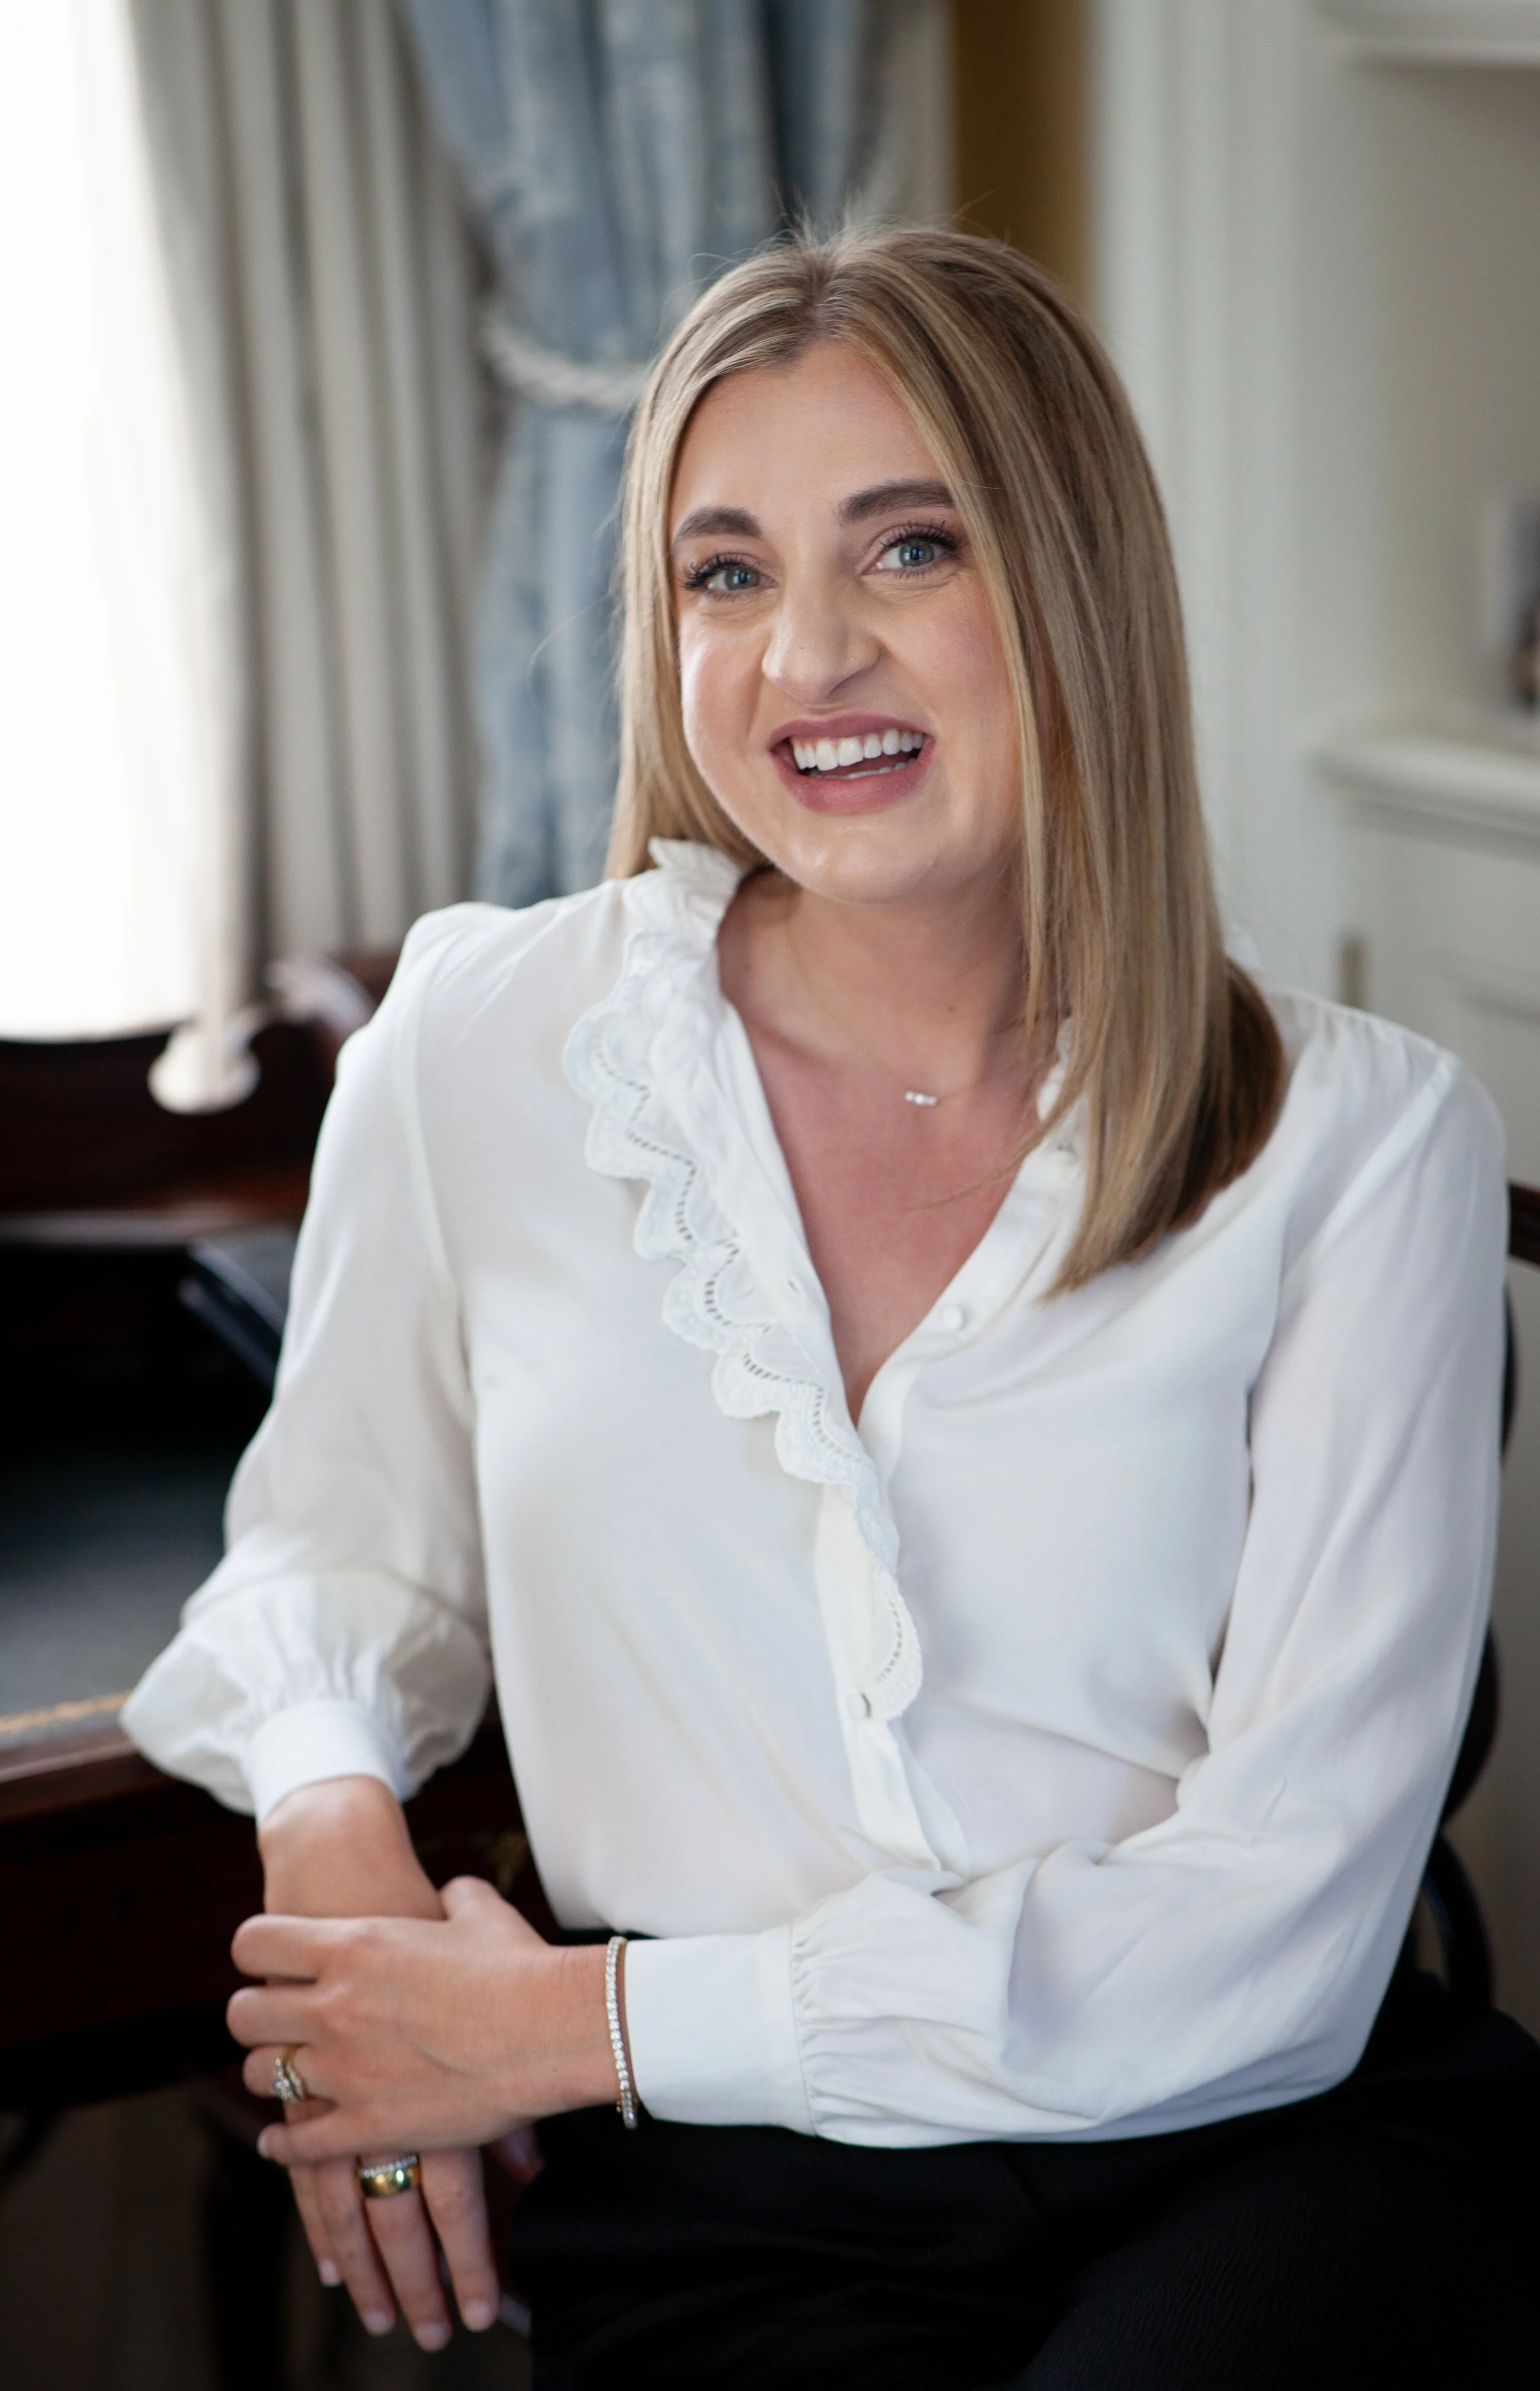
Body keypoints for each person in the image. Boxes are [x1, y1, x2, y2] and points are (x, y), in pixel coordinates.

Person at [124, 227, 1538, 2386]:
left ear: (1067, 588)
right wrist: (352, 1914)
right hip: (727, 2212)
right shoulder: (486, 1037)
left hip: (1271, 2144)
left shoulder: (1368, 1143)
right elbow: (331, 1556)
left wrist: (551, 2025)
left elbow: (1283, 1934)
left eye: (907, 550)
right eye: (723, 573)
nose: (805, 656)